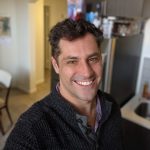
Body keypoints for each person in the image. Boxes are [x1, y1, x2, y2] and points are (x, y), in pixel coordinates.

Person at [4, 18, 123, 150]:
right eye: (72, 61)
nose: (87, 72)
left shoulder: (111, 106)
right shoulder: (31, 129)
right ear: (56, 65)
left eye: (93, 59)